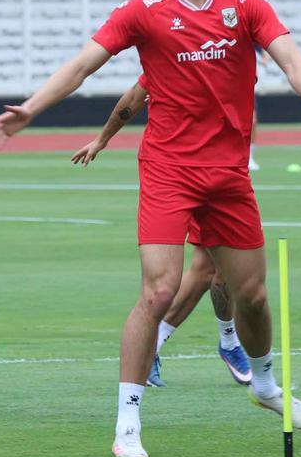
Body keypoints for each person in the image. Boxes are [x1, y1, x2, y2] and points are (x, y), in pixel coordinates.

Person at [0, 0, 301, 457]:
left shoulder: (245, 4)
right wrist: (31, 109)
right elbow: (84, 64)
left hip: (228, 172)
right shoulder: (143, 11)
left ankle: (265, 385)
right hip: (168, 169)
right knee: (158, 289)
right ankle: (127, 420)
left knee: (250, 295)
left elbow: (290, 57)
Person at [71, 77, 252, 388]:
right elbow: (136, 96)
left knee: (215, 269)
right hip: (175, 173)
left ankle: (224, 341)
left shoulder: (228, 48)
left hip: (222, 169)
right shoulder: (174, 50)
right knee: (201, 269)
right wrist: (103, 138)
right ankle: (225, 342)